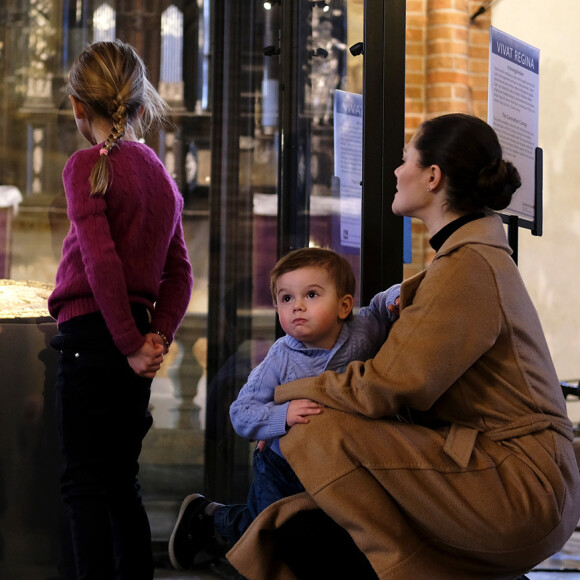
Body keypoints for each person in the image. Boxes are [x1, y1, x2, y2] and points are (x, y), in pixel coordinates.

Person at [225, 113, 580, 580]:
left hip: (521, 490)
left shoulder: (467, 268)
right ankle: (251, 530)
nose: (396, 171)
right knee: (309, 489)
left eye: (405, 158)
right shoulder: (465, 259)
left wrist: (286, 393)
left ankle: (241, 535)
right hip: (512, 472)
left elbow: (388, 386)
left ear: (433, 177)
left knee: (315, 428)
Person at [48, 40, 193, 579]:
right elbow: (180, 273)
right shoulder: (161, 177)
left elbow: (99, 260)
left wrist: (133, 345)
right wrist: (153, 337)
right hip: (131, 334)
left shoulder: (86, 165)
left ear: (78, 108)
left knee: (82, 484)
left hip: (91, 336)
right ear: (138, 105)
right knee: (119, 482)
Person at [168, 247, 401, 570]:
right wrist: (282, 415)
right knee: (267, 530)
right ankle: (210, 518)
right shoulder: (280, 358)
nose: (298, 307)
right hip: (281, 464)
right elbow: (242, 411)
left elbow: (379, 308)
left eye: (312, 294)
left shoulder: (360, 335)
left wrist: (398, 296)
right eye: (286, 299)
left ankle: (208, 518)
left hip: (334, 460)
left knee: (323, 529)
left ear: (344, 306)